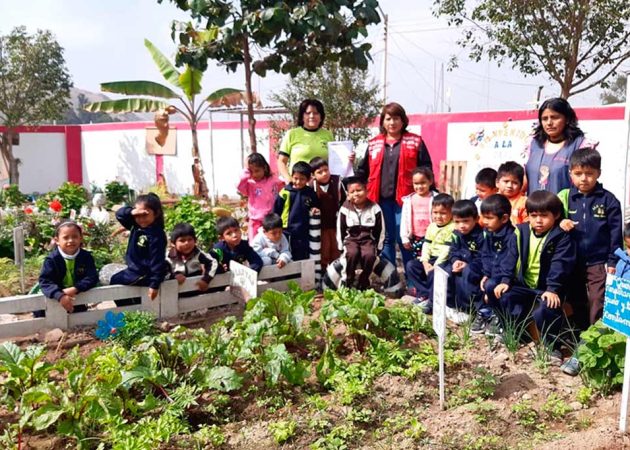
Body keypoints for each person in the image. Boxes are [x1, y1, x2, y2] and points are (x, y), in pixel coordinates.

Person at [488, 191, 576, 364]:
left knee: (547, 306)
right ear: (527, 216)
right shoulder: (521, 232)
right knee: (498, 291)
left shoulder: (561, 236)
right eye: (534, 215)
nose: (538, 220)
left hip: (548, 287)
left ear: (556, 215)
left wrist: (552, 289)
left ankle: (552, 346)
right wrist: (505, 280)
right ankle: (514, 332)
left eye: (544, 216)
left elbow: (561, 265)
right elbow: (510, 258)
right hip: (525, 284)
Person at [557, 148, 622, 376]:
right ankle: (580, 337)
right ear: (570, 174)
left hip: (598, 262)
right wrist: (561, 222)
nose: (584, 178)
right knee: (577, 301)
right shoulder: (566, 198)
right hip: (573, 261)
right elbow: (552, 220)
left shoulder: (609, 201)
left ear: (598, 173)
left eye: (589, 173)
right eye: (578, 173)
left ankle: (592, 344)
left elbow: (616, 234)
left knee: (597, 300)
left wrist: (613, 260)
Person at [357, 102, 433, 269]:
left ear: (403, 120)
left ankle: (413, 279)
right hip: (380, 199)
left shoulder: (415, 141)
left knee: (405, 238)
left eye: (396, 118)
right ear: (383, 121)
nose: (392, 122)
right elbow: (363, 171)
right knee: (386, 238)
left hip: (406, 201)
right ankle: (391, 279)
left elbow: (426, 168)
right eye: (388, 118)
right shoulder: (373, 144)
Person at [525, 97, 596, 195]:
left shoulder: (581, 145)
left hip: (567, 209)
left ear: (567, 119)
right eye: (545, 119)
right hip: (533, 209)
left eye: (555, 117)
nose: (549, 123)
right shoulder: (532, 144)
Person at [110, 193, 168, 306]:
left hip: (145, 272)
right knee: (115, 281)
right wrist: (132, 212)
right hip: (135, 269)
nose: (141, 219)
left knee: (116, 280)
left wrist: (154, 284)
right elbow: (119, 214)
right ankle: (132, 307)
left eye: (145, 215)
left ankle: (131, 308)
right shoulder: (135, 225)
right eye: (138, 215)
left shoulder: (156, 234)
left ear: (156, 214)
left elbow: (157, 259)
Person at [406, 193, 455, 313]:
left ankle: (432, 303)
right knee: (411, 266)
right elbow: (426, 244)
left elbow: (447, 250)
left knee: (435, 273)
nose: (438, 216)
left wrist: (436, 264)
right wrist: (424, 261)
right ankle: (424, 294)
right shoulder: (432, 226)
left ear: (451, 213)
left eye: (443, 213)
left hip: (444, 260)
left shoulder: (452, 227)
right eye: (435, 212)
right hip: (431, 258)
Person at [474, 194, 515, 335]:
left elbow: (508, 261)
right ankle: (484, 312)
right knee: (473, 276)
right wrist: (485, 274)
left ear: (504, 218)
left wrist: (499, 279)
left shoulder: (512, 236)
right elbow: (485, 254)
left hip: (505, 277)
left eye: (489, 218)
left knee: (491, 286)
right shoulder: (489, 232)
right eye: (483, 217)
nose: (484, 221)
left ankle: (497, 316)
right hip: (491, 272)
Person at [38, 220, 98, 317]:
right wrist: (59, 295)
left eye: (75, 237)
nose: (70, 240)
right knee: (44, 316)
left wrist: (76, 288)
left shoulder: (86, 257)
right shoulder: (52, 260)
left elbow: (92, 277)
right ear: (57, 240)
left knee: (80, 317)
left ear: (81, 238)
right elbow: (45, 281)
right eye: (66, 238)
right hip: (55, 297)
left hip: (76, 296)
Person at [337, 177, 385, 290]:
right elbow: (340, 229)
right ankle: (348, 281)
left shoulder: (375, 208)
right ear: (348, 194)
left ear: (366, 191)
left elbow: (380, 229)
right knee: (351, 254)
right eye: (352, 192)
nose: (356, 194)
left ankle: (364, 281)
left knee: (369, 256)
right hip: (351, 240)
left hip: (368, 239)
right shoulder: (345, 209)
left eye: (359, 190)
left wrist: (378, 247)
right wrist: (340, 247)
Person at [277, 99, 334, 182]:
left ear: (321, 116)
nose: (312, 116)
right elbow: (281, 161)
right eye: (308, 113)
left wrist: (349, 159)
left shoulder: (328, 135)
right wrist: (289, 180)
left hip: (322, 188)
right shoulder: (292, 134)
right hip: (298, 186)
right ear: (302, 116)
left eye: (316, 113)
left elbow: (335, 161)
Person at [273, 161, 320, 261]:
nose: (298, 182)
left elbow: (316, 205)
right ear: (292, 176)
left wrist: (315, 209)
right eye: (296, 178)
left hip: (304, 230)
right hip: (287, 231)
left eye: (302, 179)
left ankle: (301, 276)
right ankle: (289, 276)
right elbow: (276, 210)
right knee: (288, 253)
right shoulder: (285, 192)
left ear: (308, 179)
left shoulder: (310, 193)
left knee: (303, 254)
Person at [445, 200, 485, 314]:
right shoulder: (456, 233)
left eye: (466, 221)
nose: (461, 225)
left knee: (467, 272)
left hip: (476, 267)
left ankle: (467, 310)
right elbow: (453, 251)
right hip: (460, 264)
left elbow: (483, 257)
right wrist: (455, 260)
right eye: (457, 222)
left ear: (476, 219)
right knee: (445, 271)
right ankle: (450, 305)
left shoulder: (481, 235)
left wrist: (467, 264)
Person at [309, 156, 345, 271]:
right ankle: (323, 275)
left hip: (336, 225)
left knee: (336, 249)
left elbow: (344, 201)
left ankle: (337, 275)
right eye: (320, 172)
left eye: (326, 170)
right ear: (313, 175)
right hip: (321, 227)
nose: (324, 174)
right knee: (324, 250)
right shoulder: (311, 187)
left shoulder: (338, 182)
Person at [237, 153, 282, 241]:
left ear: (264, 168)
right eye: (251, 171)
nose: (254, 174)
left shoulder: (273, 181)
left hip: (270, 221)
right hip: (255, 221)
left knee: (271, 244)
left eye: (257, 171)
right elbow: (239, 185)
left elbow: (284, 188)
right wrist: (246, 170)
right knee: (254, 245)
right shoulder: (249, 184)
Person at [166, 223, 219, 292]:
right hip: (176, 293)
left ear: (195, 241)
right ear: (173, 243)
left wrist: (206, 279)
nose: (187, 243)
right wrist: (173, 276)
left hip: (196, 289)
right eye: (182, 240)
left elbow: (213, 262)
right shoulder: (168, 257)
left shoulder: (198, 253)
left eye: (190, 239)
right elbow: (162, 272)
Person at [400, 167, 437, 261]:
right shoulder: (409, 200)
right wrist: (404, 238)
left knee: (432, 260)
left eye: (423, 183)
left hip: (434, 237)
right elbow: (404, 220)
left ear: (430, 181)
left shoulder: (436, 198)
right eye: (416, 183)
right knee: (418, 261)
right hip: (416, 238)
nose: (419, 186)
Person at [497, 161, 528, 226]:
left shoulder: (524, 202)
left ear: (521, 185)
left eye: (515, 183)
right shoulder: (492, 200)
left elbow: (527, 225)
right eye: (506, 181)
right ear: (497, 182)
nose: (509, 186)